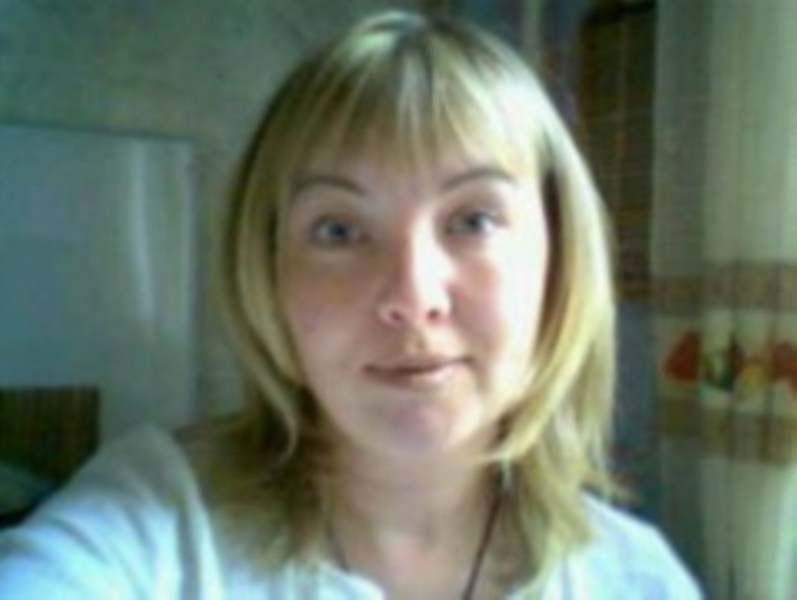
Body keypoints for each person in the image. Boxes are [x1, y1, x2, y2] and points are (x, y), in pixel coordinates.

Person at [0, 10, 701, 599]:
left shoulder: (638, 579)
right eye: (337, 230)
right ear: (267, 269)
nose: (412, 298)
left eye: (474, 220)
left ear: (560, 261)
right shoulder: (151, 520)